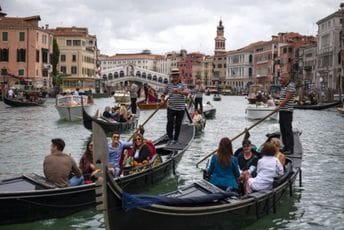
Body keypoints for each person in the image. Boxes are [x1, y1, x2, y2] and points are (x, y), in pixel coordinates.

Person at [161, 68, 189, 146]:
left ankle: (176, 139)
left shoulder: (183, 85)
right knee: (170, 122)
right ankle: (170, 138)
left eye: (176, 75)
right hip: (171, 107)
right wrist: (162, 100)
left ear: (178, 76)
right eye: (173, 75)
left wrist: (179, 91)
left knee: (178, 124)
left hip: (181, 108)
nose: (175, 76)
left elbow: (187, 93)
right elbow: (163, 94)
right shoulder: (168, 85)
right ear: (172, 76)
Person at [275, 74, 296, 155]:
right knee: (283, 130)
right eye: (280, 77)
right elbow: (283, 98)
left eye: (282, 77)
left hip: (287, 111)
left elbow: (287, 99)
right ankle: (285, 147)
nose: (280, 79)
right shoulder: (284, 87)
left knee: (288, 130)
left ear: (287, 78)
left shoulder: (290, 86)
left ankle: (290, 149)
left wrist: (279, 106)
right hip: (282, 111)